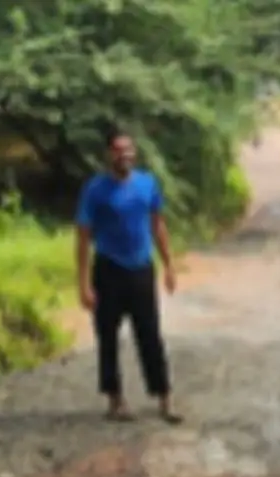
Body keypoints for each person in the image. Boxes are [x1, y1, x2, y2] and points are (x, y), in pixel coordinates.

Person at [76, 130, 181, 424]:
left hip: (141, 269)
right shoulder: (95, 190)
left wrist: (169, 265)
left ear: (135, 153)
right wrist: (83, 284)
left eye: (129, 150)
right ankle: (115, 398)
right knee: (107, 336)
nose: (125, 155)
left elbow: (158, 225)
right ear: (109, 154)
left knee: (149, 334)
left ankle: (164, 397)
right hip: (108, 269)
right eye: (118, 150)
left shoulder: (148, 184)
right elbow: (83, 237)